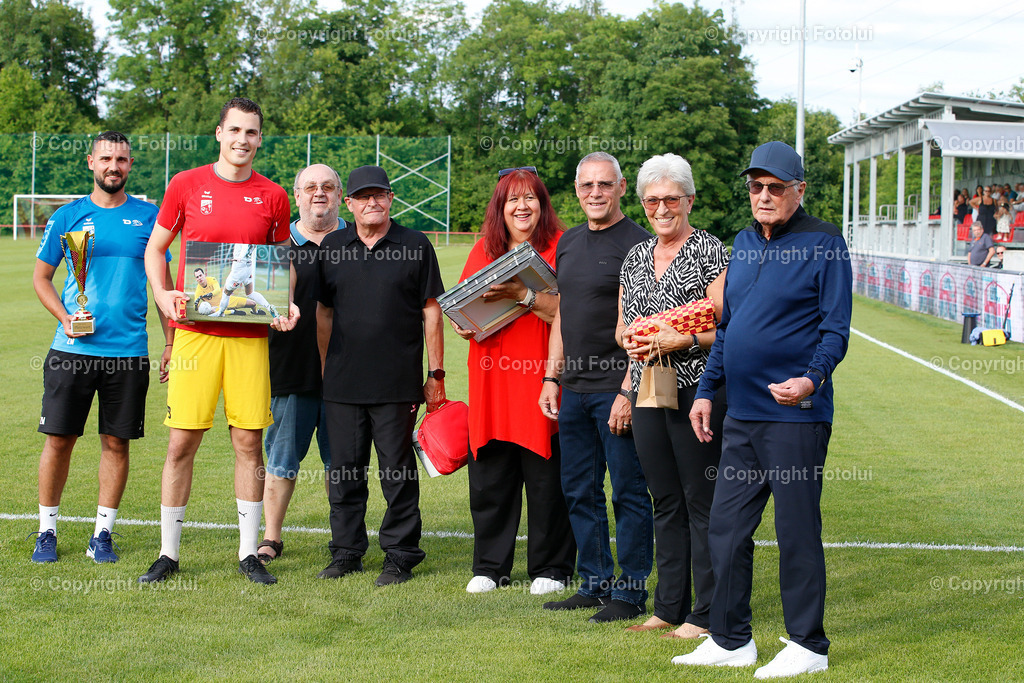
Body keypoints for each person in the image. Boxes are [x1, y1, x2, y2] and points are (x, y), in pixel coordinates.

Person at [676, 141, 852, 678]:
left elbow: (835, 329)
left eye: (777, 187)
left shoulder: (825, 243)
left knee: (797, 529)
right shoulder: (745, 242)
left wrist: (811, 378)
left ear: (799, 189)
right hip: (742, 415)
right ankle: (731, 640)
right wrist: (706, 390)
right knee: (725, 530)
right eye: (756, 186)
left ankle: (808, 645)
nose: (765, 195)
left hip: (796, 416)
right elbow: (728, 327)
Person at [139, 97, 298, 586]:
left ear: (259, 139)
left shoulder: (273, 195)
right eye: (235, 131)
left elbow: (280, 262)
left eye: (251, 133)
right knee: (182, 442)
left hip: (249, 338)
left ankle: (249, 553)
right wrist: (164, 294)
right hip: (195, 336)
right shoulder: (186, 184)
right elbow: (156, 249)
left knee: (249, 443)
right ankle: (168, 553)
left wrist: (286, 303)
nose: (242, 140)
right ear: (219, 133)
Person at [30, 131, 170, 563]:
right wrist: (65, 317)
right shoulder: (68, 216)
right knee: (58, 441)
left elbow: (161, 285)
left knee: (117, 444)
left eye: (122, 159)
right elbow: (41, 278)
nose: (114, 166)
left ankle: (102, 535)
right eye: (107, 158)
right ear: (91, 162)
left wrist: (170, 342)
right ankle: (46, 531)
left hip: (128, 353)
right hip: (71, 352)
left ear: (130, 166)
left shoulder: (150, 218)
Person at [614, 154, 729, 638]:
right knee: (663, 499)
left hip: (698, 390)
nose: (661, 208)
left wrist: (683, 339)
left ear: (689, 200)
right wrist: (632, 341)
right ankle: (667, 607)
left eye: (671, 199)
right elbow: (621, 326)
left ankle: (706, 612)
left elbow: (726, 321)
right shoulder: (636, 256)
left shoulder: (711, 251)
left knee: (699, 500)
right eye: (652, 200)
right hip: (647, 390)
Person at [537, 152, 654, 623]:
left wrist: (628, 390)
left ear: (622, 187)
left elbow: (645, 323)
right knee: (578, 489)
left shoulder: (642, 244)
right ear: (577, 189)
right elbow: (563, 311)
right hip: (575, 389)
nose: (595, 193)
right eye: (587, 186)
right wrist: (551, 376)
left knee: (627, 490)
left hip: (618, 388)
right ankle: (594, 582)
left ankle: (630, 592)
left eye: (604, 185)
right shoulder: (567, 242)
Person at [315, 165, 445, 586]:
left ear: (391, 199)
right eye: (362, 196)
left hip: (396, 384)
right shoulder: (332, 246)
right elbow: (324, 312)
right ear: (347, 203)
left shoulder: (415, 245)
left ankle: (401, 556)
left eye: (380, 194)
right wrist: (325, 368)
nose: (372, 202)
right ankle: (347, 552)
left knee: (397, 474)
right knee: (345, 474)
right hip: (343, 384)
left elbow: (432, 311)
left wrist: (436, 373)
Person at [453, 166, 576, 596]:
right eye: (512, 200)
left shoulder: (561, 246)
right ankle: (490, 566)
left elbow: (569, 310)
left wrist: (521, 295)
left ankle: (552, 567)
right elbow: (464, 305)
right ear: (500, 209)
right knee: (491, 475)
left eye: (530, 199)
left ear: (542, 204)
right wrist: (463, 324)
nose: (522, 207)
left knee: (546, 474)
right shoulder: (485, 250)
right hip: (490, 376)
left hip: (542, 374)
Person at [257, 164, 340, 564]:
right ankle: (271, 537)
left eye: (327, 187)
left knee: (340, 462)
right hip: (290, 369)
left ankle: (342, 537)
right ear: (297, 194)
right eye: (310, 187)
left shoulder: (356, 241)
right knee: (281, 459)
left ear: (340, 194)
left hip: (348, 373)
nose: (319, 193)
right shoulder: (275, 245)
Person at [192, 267, 264, 316]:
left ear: (204, 275)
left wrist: (209, 294)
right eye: (197, 277)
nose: (199, 278)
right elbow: (196, 308)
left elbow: (217, 290)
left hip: (227, 299)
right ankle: (233, 312)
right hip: (217, 307)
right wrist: (196, 305)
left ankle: (255, 312)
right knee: (212, 310)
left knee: (253, 303)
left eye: (200, 275)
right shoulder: (198, 291)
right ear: (196, 279)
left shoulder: (212, 279)